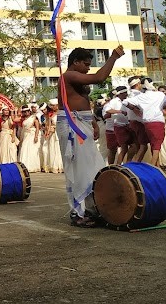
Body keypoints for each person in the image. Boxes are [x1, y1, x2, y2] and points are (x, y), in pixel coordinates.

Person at [57, 45, 124, 227]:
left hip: (84, 122)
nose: (88, 68)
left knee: (93, 168)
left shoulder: (75, 76)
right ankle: (77, 213)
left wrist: (93, 121)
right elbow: (99, 78)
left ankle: (92, 209)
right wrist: (113, 57)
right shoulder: (68, 76)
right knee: (79, 169)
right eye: (86, 64)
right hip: (73, 125)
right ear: (75, 62)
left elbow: (85, 102)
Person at [125, 79, 166, 166]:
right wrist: (134, 109)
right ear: (138, 84)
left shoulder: (134, 94)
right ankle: (137, 166)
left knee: (143, 145)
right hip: (140, 122)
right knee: (144, 146)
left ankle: (156, 166)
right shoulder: (139, 94)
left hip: (139, 122)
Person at [41, 100, 63, 173]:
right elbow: (49, 124)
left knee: (59, 149)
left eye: (54, 105)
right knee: (52, 148)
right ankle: (54, 166)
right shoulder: (51, 114)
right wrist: (47, 133)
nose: (53, 107)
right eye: (52, 106)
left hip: (60, 132)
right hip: (52, 133)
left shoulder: (62, 113)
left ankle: (61, 166)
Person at [18, 105, 41, 172]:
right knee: (24, 149)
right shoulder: (23, 119)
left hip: (32, 135)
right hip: (25, 135)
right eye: (24, 112)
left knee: (32, 150)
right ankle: (25, 165)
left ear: (29, 111)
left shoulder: (34, 118)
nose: (25, 113)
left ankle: (32, 166)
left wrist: (36, 136)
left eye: (26, 111)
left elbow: (37, 128)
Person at [102, 92, 118, 165]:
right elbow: (105, 117)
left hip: (120, 127)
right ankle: (111, 166)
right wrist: (112, 111)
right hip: (111, 130)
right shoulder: (107, 106)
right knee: (112, 150)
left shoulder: (121, 103)